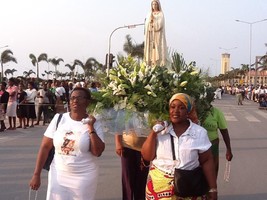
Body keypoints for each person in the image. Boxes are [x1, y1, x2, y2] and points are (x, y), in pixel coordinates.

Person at [29, 87, 105, 200]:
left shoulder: (95, 122)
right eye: (72, 98)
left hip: (84, 177)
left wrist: (90, 127)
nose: (75, 100)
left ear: (87, 102)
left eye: (79, 98)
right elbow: (45, 147)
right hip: (58, 175)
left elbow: (97, 152)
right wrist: (36, 174)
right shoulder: (59, 119)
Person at [141, 93, 217, 200]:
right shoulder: (160, 131)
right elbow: (147, 157)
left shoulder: (199, 132)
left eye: (181, 108)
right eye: (173, 107)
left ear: (188, 111)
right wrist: (153, 133)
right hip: (158, 187)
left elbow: (207, 160)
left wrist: (213, 188)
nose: (176, 111)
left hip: (189, 186)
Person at [115, 112, 149, 200]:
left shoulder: (149, 105)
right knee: (128, 180)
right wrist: (118, 143)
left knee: (141, 180)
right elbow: (118, 124)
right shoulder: (126, 106)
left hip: (144, 149)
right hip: (127, 147)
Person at [144, 0, 167, 67]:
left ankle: (159, 64)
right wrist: (150, 22)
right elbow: (146, 24)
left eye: (155, 4)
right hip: (150, 35)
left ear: (158, 5)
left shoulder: (160, 14)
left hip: (158, 35)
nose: (154, 6)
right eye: (153, 4)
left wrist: (154, 22)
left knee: (158, 50)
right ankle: (150, 64)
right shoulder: (149, 14)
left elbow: (160, 25)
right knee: (150, 50)